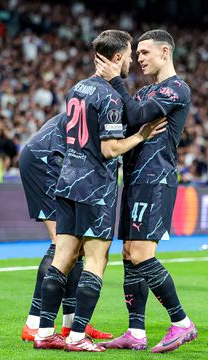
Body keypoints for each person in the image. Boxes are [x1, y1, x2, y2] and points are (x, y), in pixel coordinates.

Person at [33, 30, 167, 352]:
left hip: (66, 182)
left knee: (62, 257)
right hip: (95, 188)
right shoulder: (108, 97)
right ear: (118, 58)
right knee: (96, 259)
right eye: (130, 55)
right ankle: (78, 336)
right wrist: (141, 136)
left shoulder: (75, 89)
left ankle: (44, 332)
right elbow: (109, 149)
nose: (133, 61)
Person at [95, 29, 196, 353]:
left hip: (156, 179)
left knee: (141, 254)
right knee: (128, 255)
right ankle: (135, 331)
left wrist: (115, 82)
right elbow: (127, 121)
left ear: (165, 52)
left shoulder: (176, 89)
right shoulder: (145, 92)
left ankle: (181, 322)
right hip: (134, 179)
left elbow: (137, 116)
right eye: (136, 53)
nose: (138, 59)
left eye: (144, 53)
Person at [19, 113, 112, 341]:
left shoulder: (96, 101)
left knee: (75, 244)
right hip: (45, 163)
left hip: (54, 161)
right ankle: (34, 322)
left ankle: (70, 323)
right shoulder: (108, 107)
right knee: (62, 244)